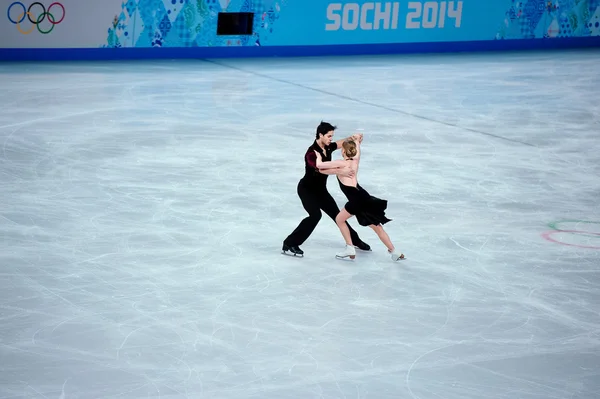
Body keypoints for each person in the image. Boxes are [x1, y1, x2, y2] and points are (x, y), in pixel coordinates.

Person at [282, 122, 372, 257]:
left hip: (321, 191)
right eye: (329, 136)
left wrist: (353, 138)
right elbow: (321, 170)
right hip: (307, 190)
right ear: (320, 135)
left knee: (338, 216)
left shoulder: (328, 147)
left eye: (332, 136)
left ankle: (355, 240)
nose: (331, 139)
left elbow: (341, 143)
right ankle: (289, 244)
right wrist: (340, 171)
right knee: (315, 215)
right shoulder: (311, 153)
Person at [315, 137, 405, 261]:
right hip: (364, 196)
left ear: (343, 152)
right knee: (377, 226)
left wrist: (318, 155)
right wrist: (357, 141)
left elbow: (319, 166)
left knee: (339, 219)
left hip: (356, 200)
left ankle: (350, 247)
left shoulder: (341, 164)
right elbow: (357, 151)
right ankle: (394, 251)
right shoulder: (355, 161)